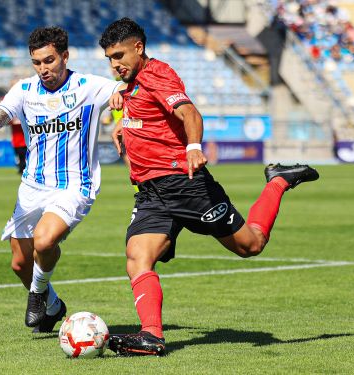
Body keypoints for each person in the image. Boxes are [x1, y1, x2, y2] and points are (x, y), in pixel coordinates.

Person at [99, 18, 319, 356]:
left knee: (251, 245)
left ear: (138, 48)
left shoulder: (159, 74)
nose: (115, 65)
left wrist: (193, 147)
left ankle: (276, 182)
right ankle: (152, 336)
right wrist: (121, 123)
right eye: (110, 59)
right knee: (137, 259)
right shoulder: (132, 82)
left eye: (119, 56)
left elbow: (189, 113)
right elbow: (143, 112)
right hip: (151, 193)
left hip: (186, 185)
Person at [0, 26, 122, 333]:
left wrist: (123, 115)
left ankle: (37, 295)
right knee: (20, 264)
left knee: (45, 239)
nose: (43, 69)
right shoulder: (24, 90)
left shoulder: (89, 86)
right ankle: (52, 306)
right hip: (33, 187)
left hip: (75, 184)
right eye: (36, 62)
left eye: (49, 60)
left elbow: (123, 91)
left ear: (65, 55)